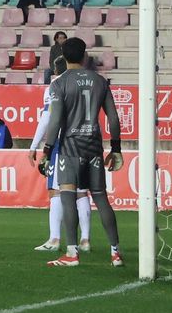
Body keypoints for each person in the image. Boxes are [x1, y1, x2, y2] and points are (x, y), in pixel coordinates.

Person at [33, 37, 124, 268]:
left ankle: (72, 253)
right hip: (93, 145)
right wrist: (116, 149)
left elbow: (55, 120)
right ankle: (115, 253)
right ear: (85, 56)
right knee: (100, 197)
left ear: (63, 56)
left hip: (70, 147)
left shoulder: (59, 84)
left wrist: (47, 150)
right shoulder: (100, 81)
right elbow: (113, 118)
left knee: (67, 196)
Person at [28, 83, 92, 255]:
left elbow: (47, 118)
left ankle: (54, 239)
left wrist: (34, 146)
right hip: (84, 142)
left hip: (62, 143)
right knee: (81, 192)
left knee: (56, 192)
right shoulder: (84, 83)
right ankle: (85, 240)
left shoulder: (54, 87)